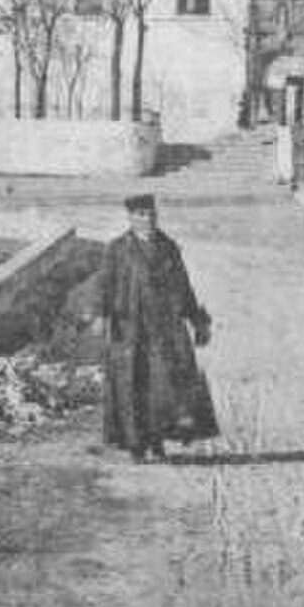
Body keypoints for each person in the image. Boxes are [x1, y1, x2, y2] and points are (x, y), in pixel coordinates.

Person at [91, 194, 220, 462]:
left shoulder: (168, 247)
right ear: (130, 218)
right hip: (130, 328)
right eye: (140, 215)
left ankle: (157, 440)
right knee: (132, 386)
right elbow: (105, 285)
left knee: (164, 387)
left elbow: (184, 287)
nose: (147, 219)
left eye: (151, 214)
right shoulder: (117, 249)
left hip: (164, 330)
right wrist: (101, 315)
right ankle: (137, 445)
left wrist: (197, 320)